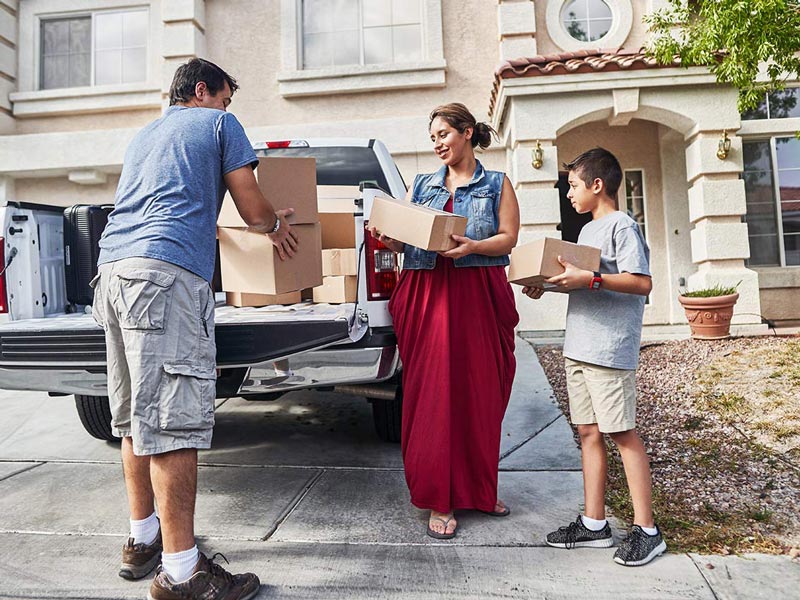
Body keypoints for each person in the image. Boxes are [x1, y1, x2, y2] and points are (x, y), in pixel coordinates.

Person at [92, 58, 297, 598]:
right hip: (163, 277)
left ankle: (142, 541)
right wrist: (276, 226)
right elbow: (251, 206)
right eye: (226, 97)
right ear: (203, 91)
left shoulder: (145, 134)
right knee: (174, 422)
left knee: (137, 418)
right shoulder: (217, 124)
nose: (230, 108)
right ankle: (183, 574)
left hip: (112, 273)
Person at [370, 103, 520, 539]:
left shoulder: (496, 183)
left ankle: (479, 489)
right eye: (432, 137)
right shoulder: (422, 185)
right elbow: (411, 239)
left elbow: (508, 237)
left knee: (481, 393)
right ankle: (441, 498)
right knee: (433, 395)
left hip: (477, 293)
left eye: (443, 134)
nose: (436, 143)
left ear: (467, 132)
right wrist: (391, 239)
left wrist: (473, 246)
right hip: (429, 294)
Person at [523, 148, 666, 566]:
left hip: (609, 349)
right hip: (579, 347)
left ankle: (647, 531)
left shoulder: (623, 226)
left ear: (597, 185)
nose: (568, 194)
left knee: (622, 434)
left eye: (572, 185)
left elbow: (641, 283)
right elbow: (582, 284)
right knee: (588, 434)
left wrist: (592, 277)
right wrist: (545, 285)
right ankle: (594, 524)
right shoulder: (586, 233)